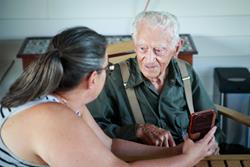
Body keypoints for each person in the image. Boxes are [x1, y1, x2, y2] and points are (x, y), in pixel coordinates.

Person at [0, 26, 217, 167]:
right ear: (93, 79)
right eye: (108, 67)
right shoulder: (53, 119)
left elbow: (110, 145)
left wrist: (177, 150)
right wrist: (188, 159)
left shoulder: (68, 101)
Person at [87, 10, 223, 151]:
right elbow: (95, 128)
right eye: (142, 48)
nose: (149, 59)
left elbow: (210, 120)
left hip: (188, 155)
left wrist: (213, 143)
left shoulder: (185, 72)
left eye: (158, 50)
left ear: (176, 48)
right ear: (135, 45)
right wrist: (137, 131)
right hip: (140, 160)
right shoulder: (114, 77)